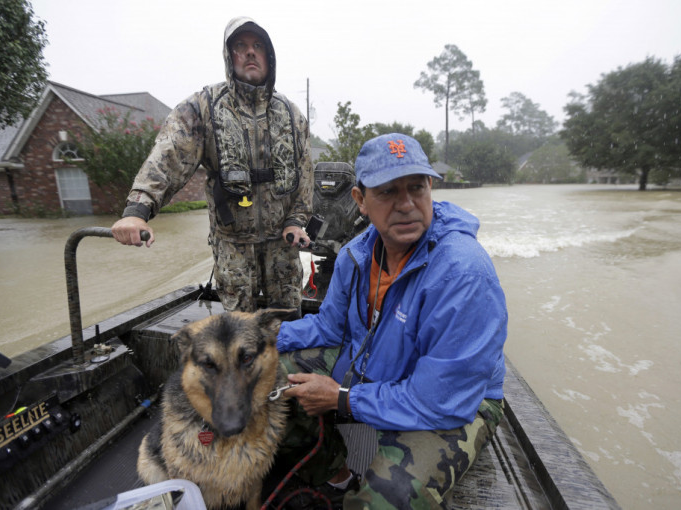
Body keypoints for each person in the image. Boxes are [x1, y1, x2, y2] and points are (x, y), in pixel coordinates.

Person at [277, 133, 508, 509]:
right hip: (378, 364)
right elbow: (329, 328)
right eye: (387, 191)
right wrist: (261, 337)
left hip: (456, 399)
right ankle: (334, 473)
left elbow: (439, 400)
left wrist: (341, 399)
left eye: (416, 188)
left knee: (391, 495)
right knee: (266, 374)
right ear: (360, 200)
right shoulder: (355, 255)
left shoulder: (464, 273)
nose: (406, 205)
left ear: (430, 187)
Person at [111, 17, 312, 312]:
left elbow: (305, 176)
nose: (250, 52)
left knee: (287, 321)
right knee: (238, 329)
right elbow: (167, 157)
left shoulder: (291, 114)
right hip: (232, 247)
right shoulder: (203, 107)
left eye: (258, 45)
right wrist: (136, 212)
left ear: (269, 56)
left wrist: (296, 221)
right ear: (229, 56)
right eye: (240, 45)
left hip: (283, 246)